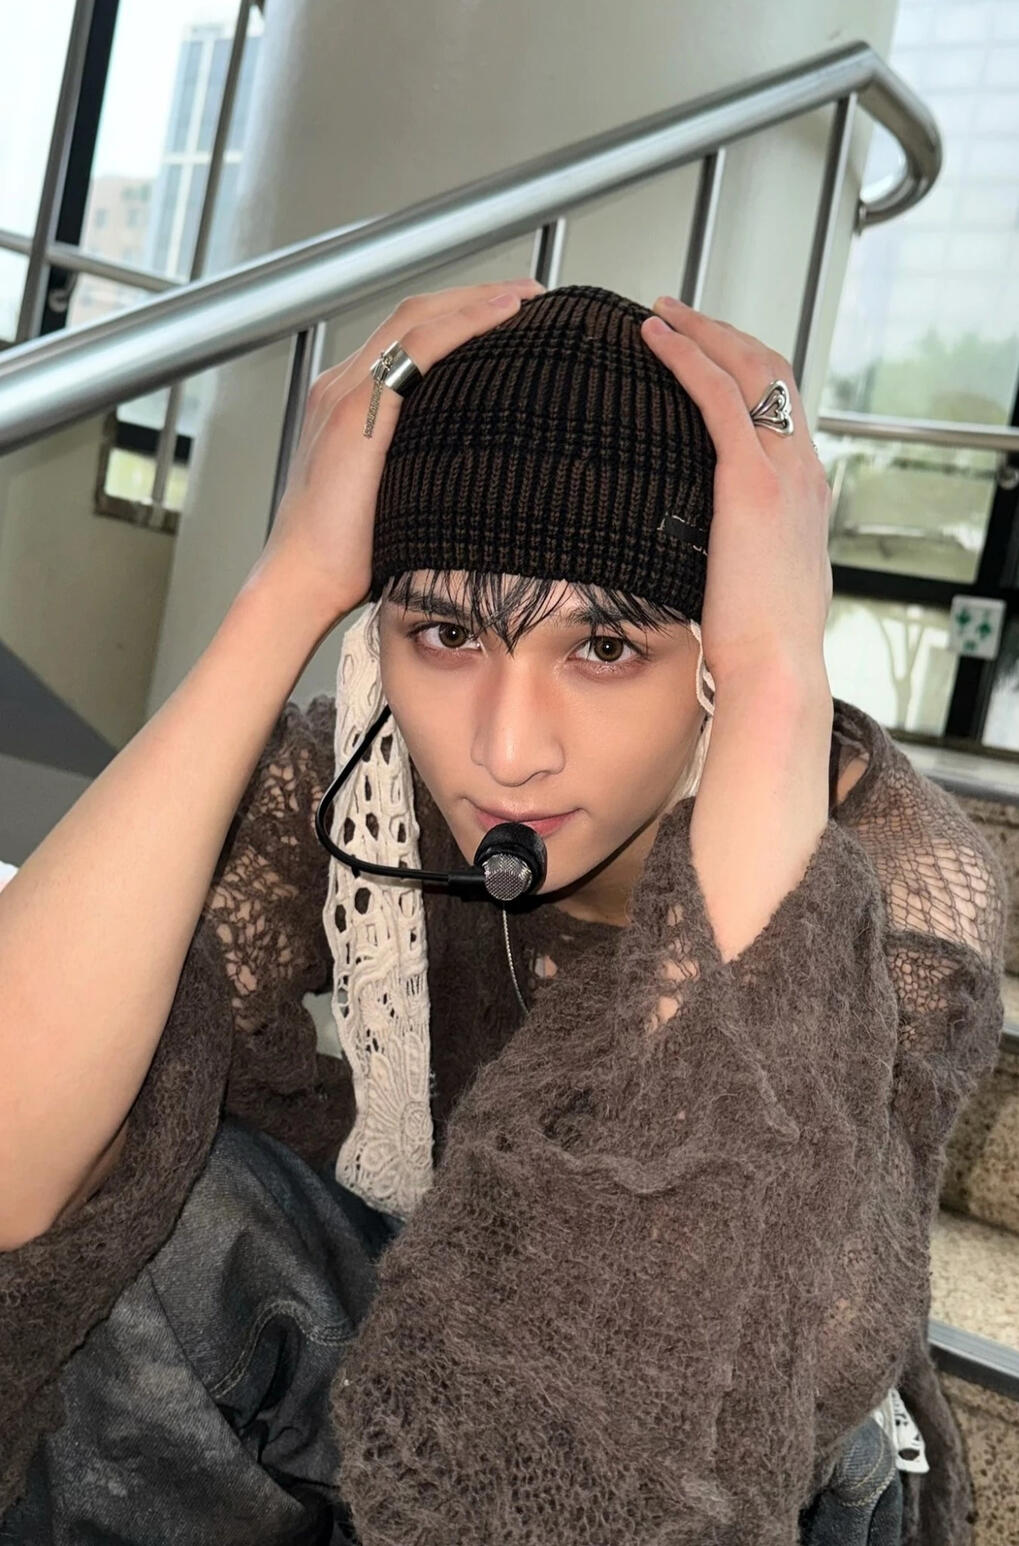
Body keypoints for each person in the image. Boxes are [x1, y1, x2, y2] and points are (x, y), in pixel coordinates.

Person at [0, 283, 1005, 1546]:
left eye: (605, 649)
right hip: (439, 1324)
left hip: (738, 1431)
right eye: (441, 633)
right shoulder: (367, 787)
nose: (506, 750)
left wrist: (776, 683)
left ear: (717, 647)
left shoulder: (897, 873)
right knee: (143, 1211)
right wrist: (287, 587)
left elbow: (664, 1393)